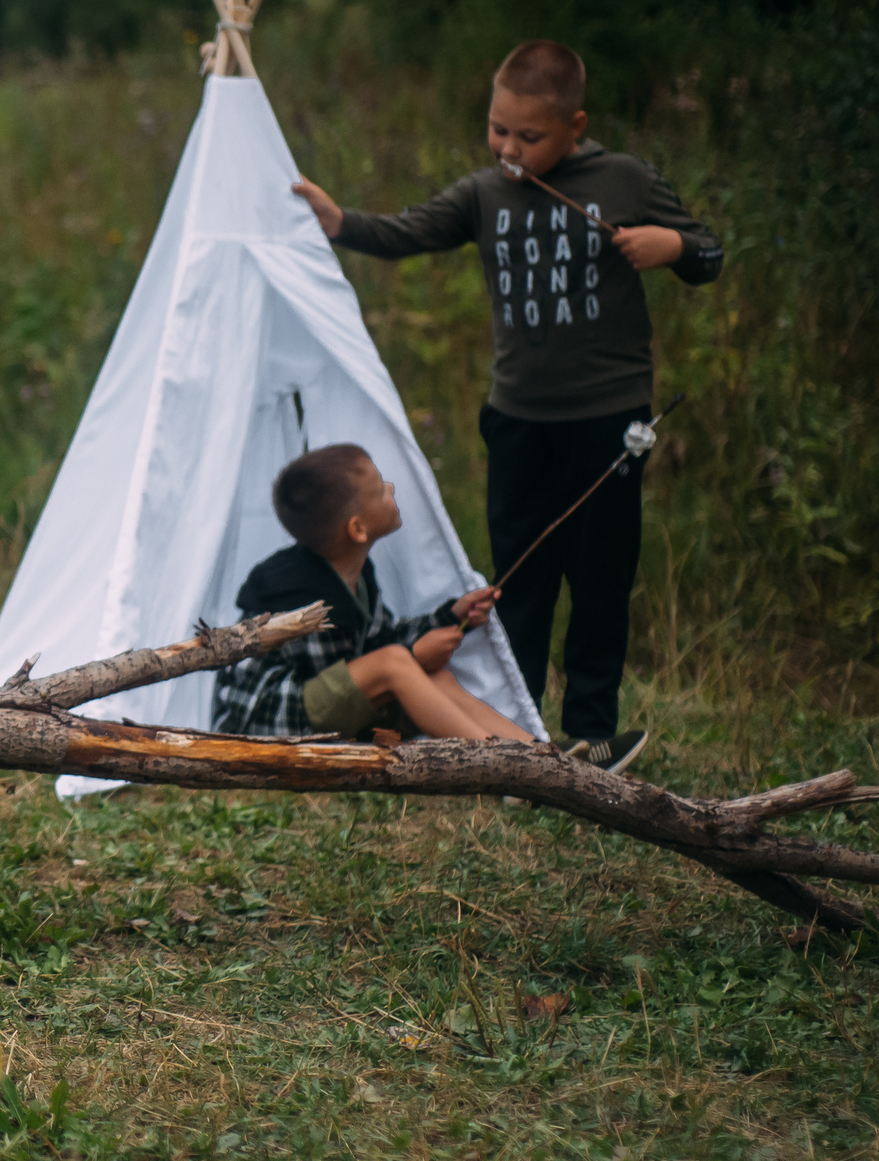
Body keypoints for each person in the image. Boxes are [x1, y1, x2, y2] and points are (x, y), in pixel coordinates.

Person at [289, 41, 721, 772]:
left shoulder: (624, 179)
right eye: (497, 130)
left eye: (529, 136)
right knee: (520, 581)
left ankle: (592, 732)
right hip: (519, 420)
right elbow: (409, 231)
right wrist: (341, 222)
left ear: (575, 126)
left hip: (608, 420)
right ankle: (518, 736)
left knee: (600, 577)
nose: (509, 149)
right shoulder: (483, 194)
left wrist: (672, 243)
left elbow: (709, 253)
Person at [213, 444, 533, 745]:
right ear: (357, 529)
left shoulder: (353, 574)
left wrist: (449, 617)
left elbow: (380, 640)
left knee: (437, 677)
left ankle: (539, 754)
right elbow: (356, 671)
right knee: (394, 664)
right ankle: (503, 766)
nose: (390, 489)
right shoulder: (306, 598)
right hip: (266, 725)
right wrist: (413, 654)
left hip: (313, 711)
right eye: (380, 490)